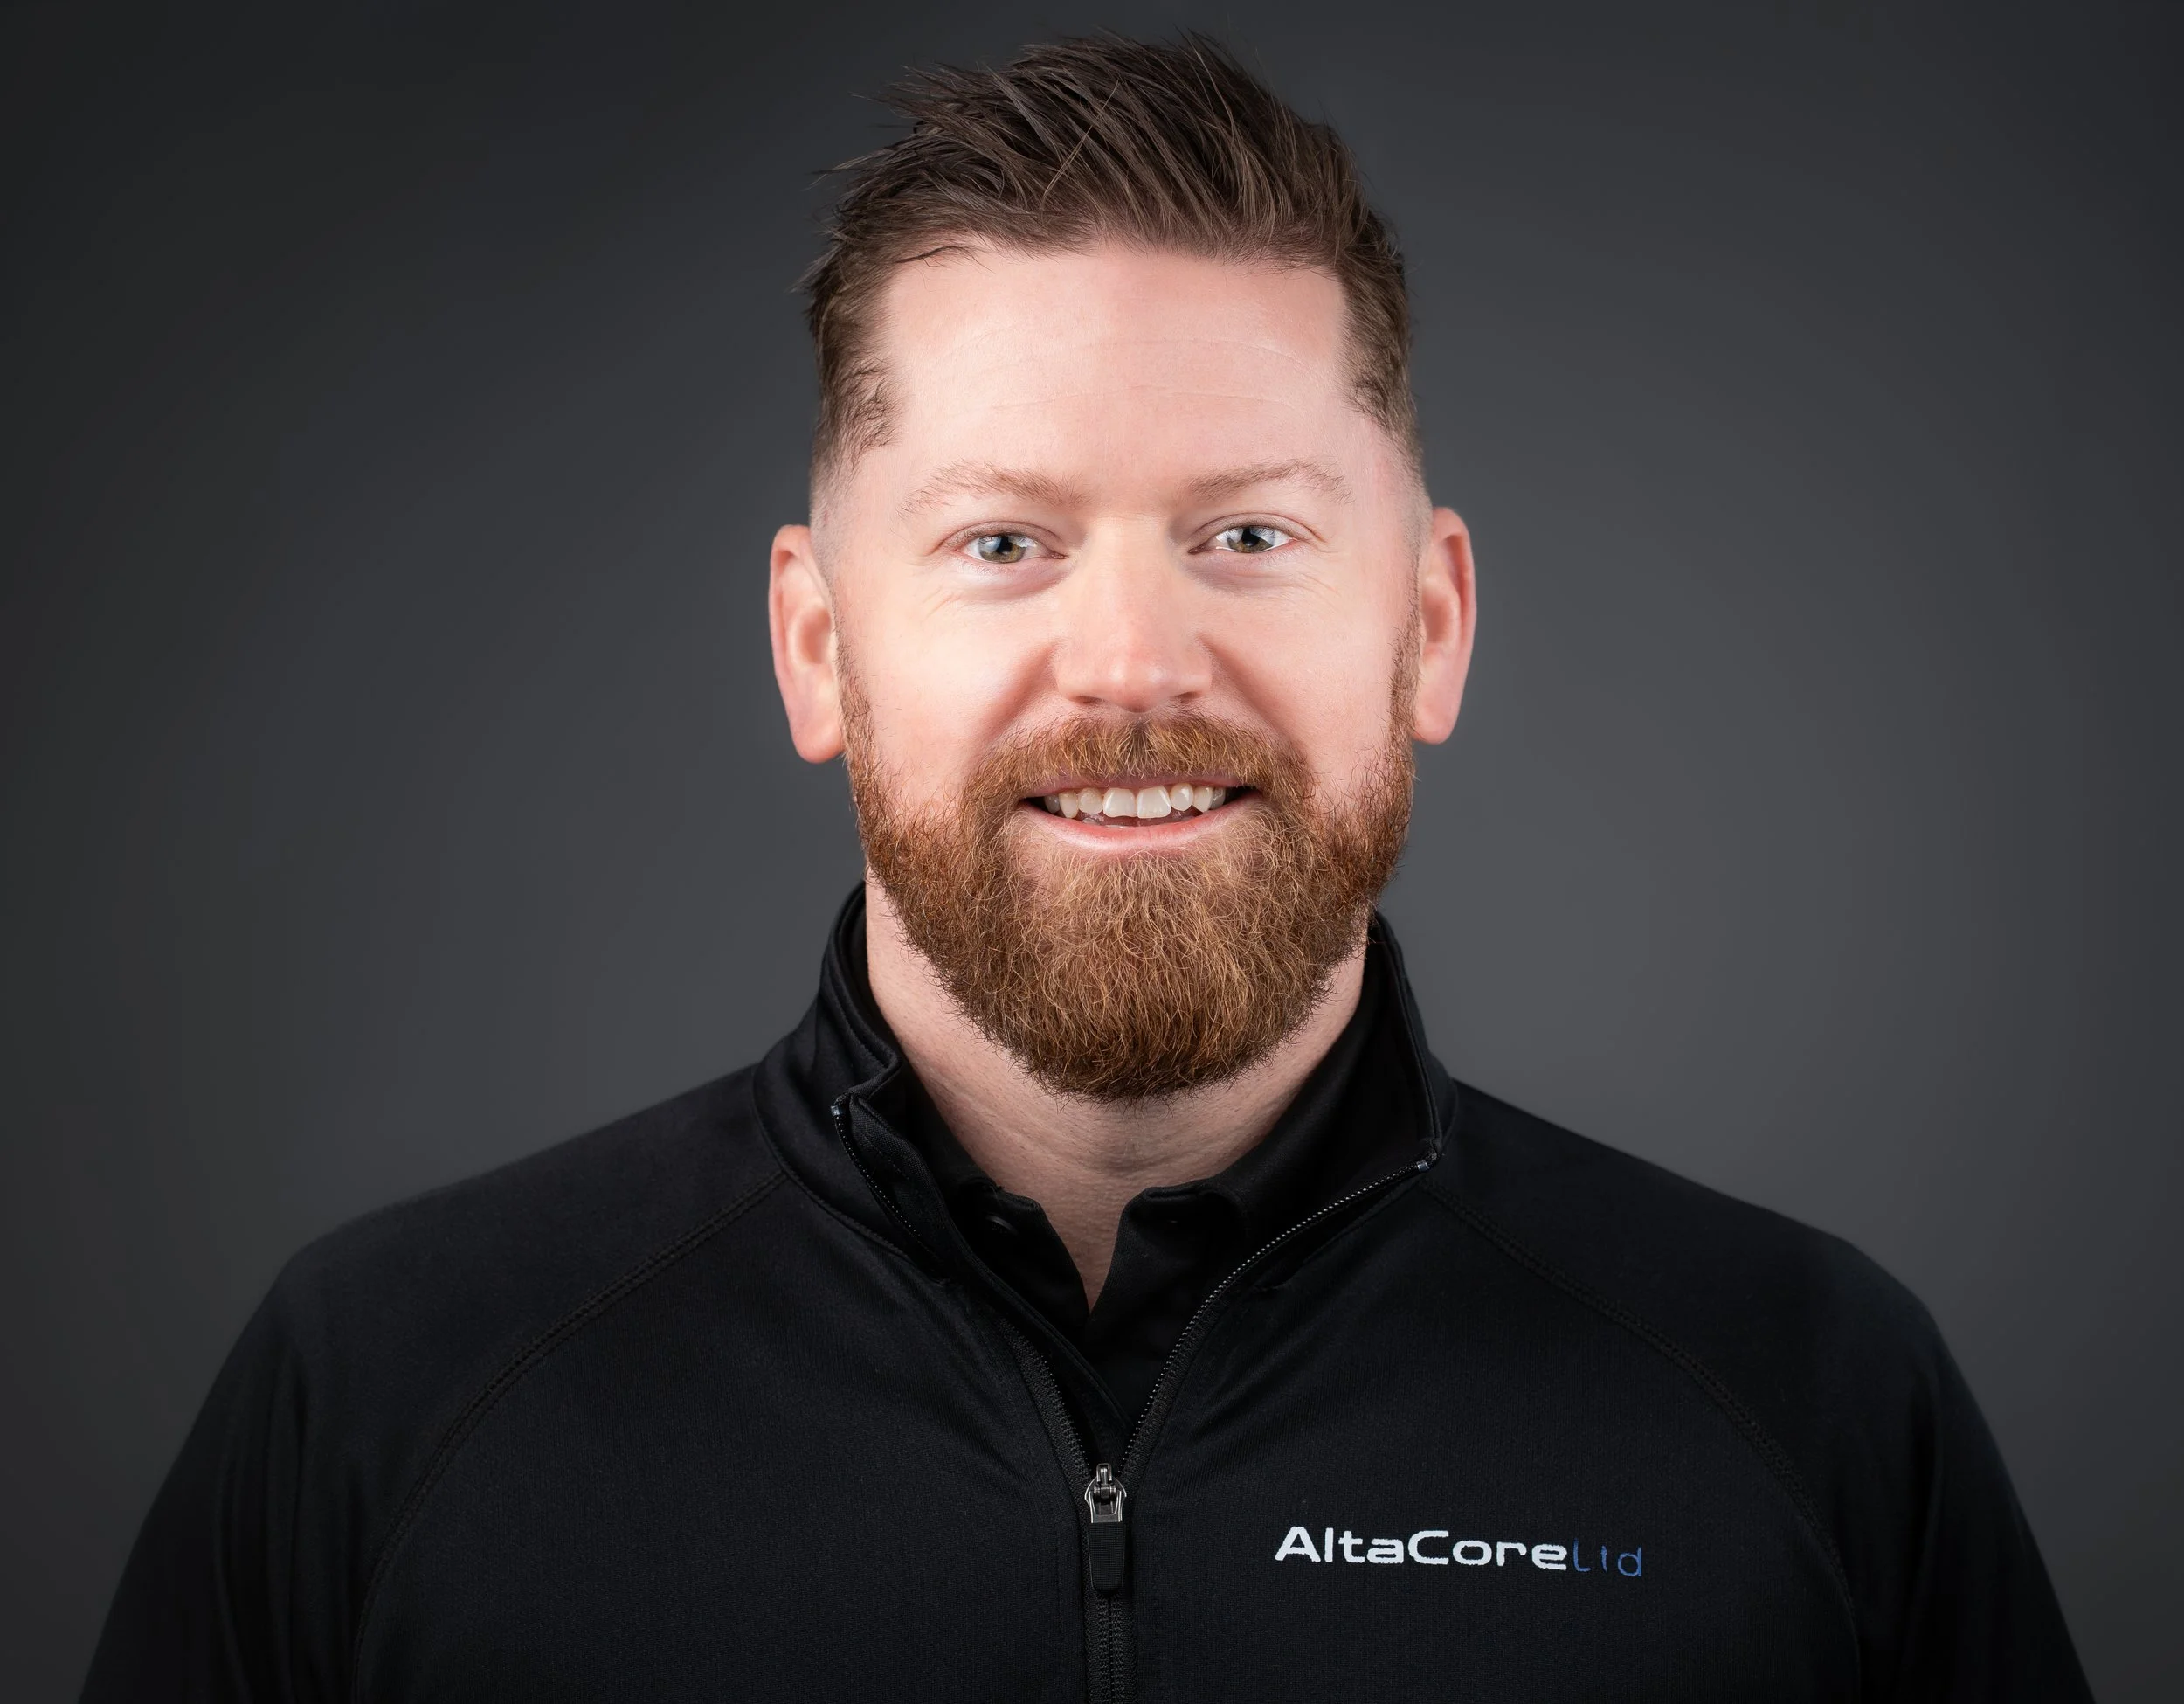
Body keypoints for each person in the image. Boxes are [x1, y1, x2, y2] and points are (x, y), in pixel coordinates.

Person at [84, 33, 2089, 1702]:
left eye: (1244, 536)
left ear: (1430, 621)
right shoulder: (385, 1399)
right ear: (814, 646)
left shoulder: (1805, 1404)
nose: (1131, 664)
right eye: (1001, 542)